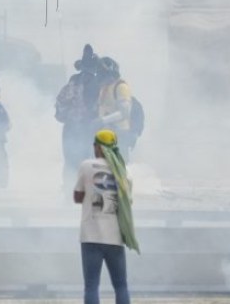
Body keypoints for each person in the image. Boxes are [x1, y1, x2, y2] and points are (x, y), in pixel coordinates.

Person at [74, 129, 139, 304]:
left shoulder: (86, 166)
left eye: (95, 146)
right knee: (120, 285)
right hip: (114, 237)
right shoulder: (124, 173)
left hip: (91, 235)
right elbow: (126, 203)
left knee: (91, 286)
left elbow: (77, 196)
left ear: (99, 148)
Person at [57, 45, 103, 183]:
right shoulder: (98, 83)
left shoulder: (73, 80)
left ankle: (68, 191)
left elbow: (61, 100)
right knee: (87, 160)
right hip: (87, 128)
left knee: (70, 161)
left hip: (70, 127)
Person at [94, 58, 136, 153]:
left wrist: (102, 120)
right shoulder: (104, 88)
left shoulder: (121, 87)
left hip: (119, 135)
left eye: (101, 72)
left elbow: (125, 113)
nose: (99, 76)